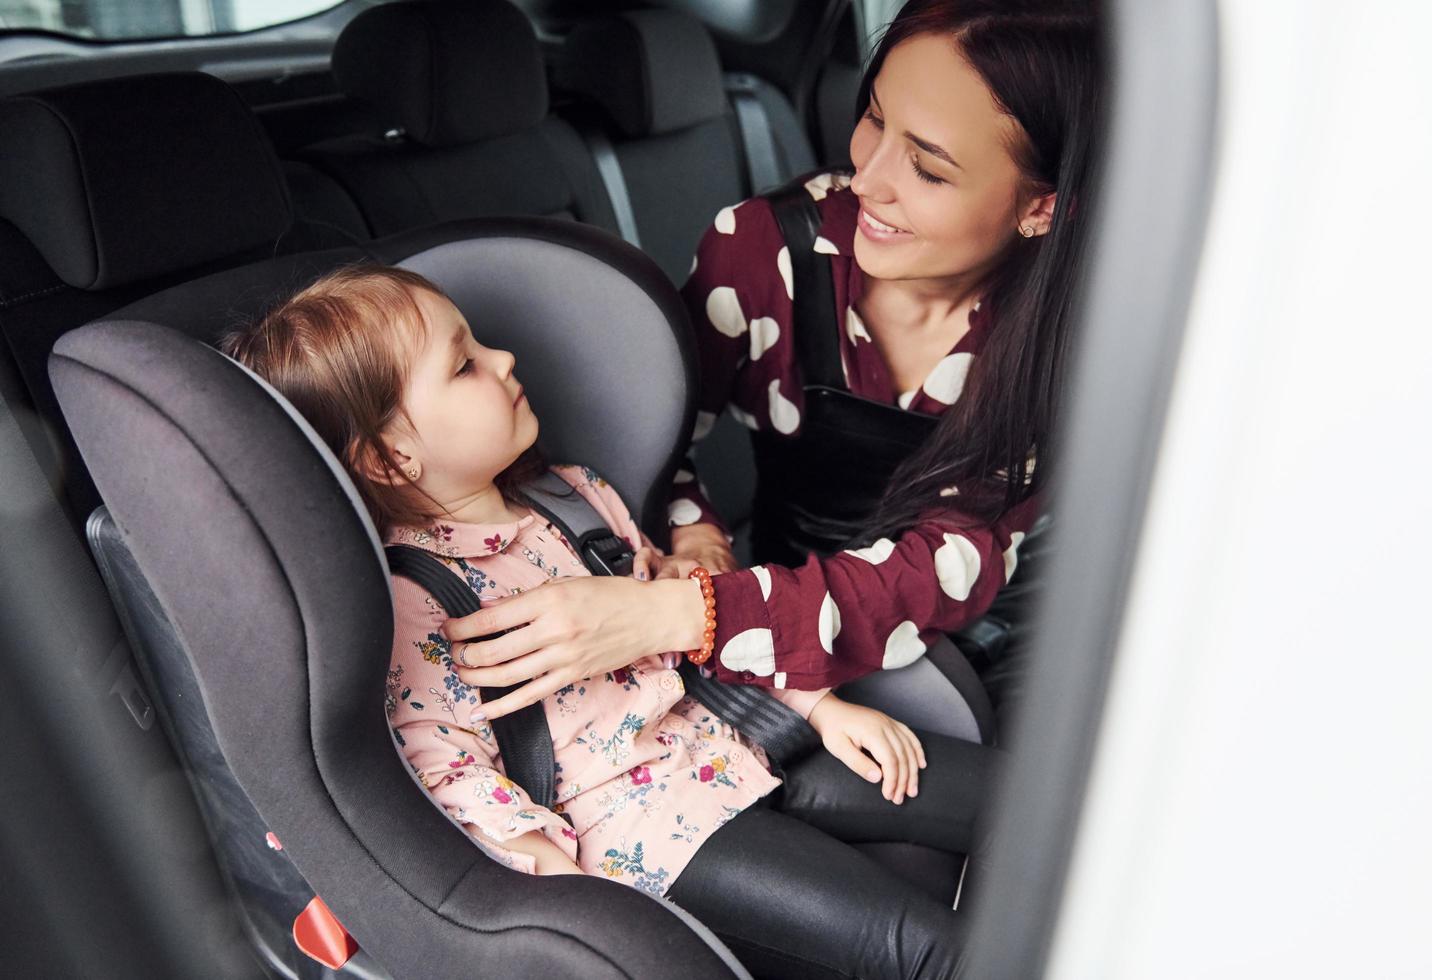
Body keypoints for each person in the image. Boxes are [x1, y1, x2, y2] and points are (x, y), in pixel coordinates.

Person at [224, 264, 1004, 977]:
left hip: (740, 733)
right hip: (654, 832)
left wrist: (820, 706)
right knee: (930, 948)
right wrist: (569, 904)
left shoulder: (573, 494)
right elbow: (446, 766)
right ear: (391, 459)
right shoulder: (414, 597)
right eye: (465, 365)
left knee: (1020, 801)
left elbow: (688, 631)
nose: (503, 360)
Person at [443, 1, 1100, 734]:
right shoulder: (762, 252)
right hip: (775, 604)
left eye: (927, 168)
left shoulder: (1067, 329)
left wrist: (684, 615)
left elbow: (944, 568)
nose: (868, 179)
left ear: (1042, 209)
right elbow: (653, 442)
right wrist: (695, 536)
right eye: (876, 120)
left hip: (992, 617)